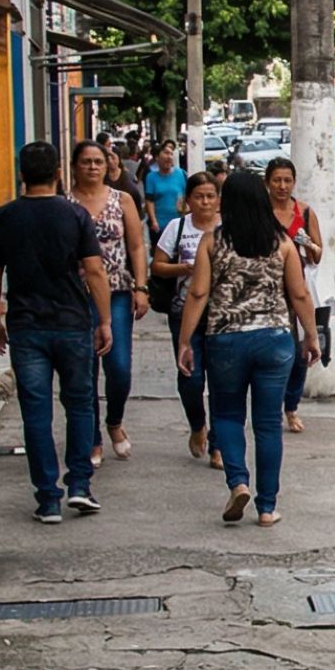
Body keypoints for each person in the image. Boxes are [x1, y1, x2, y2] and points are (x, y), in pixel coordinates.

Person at [0, 142, 110, 522]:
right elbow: (95, 271)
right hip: (71, 323)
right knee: (80, 403)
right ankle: (80, 485)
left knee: (36, 412)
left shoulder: (4, 217)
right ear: (57, 174)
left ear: (22, 173)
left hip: (26, 326)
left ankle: (48, 497)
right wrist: (103, 320)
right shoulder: (75, 214)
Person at [178, 171, 318, 526]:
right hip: (274, 340)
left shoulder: (212, 242)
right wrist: (311, 336)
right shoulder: (282, 243)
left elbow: (197, 294)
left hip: (225, 340)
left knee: (226, 414)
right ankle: (268, 507)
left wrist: (184, 340)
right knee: (268, 424)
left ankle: (238, 481)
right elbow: (299, 294)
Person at [67, 140, 150, 463]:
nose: (92, 167)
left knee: (118, 366)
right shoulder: (65, 203)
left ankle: (114, 420)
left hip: (117, 290)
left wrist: (141, 287)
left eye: (98, 162)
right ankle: (92, 438)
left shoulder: (122, 200)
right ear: (74, 166)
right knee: (84, 368)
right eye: (85, 162)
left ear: (107, 165)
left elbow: (136, 246)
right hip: (75, 295)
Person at [152, 171, 225, 468]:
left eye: (210, 196)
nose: (205, 202)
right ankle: (198, 426)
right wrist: (184, 269)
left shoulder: (227, 230)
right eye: (199, 196)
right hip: (184, 313)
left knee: (222, 381)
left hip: (222, 315)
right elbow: (156, 266)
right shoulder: (177, 228)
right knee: (191, 377)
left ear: (218, 200)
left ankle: (218, 445)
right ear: (188, 200)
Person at [264, 156, 331, 435]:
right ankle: (268, 405)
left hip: (299, 290)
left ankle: (290, 407)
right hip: (266, 290)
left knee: (300, 352)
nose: (282, 186)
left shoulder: (303, 212)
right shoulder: (260, 211)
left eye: (287, 180)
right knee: (275, 350)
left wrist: (306, 243)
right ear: (267, 182)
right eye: (277, 180)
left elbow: (318, 253)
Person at [140, 139, 190, 237]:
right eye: (166, 153)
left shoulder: (181, 174)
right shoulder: (151, 177)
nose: (169, 157)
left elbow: (189, 196)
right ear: (157, 158)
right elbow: (149, 201)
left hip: (180, 224)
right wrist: (154, 221)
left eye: (171, 154)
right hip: (160, 226)